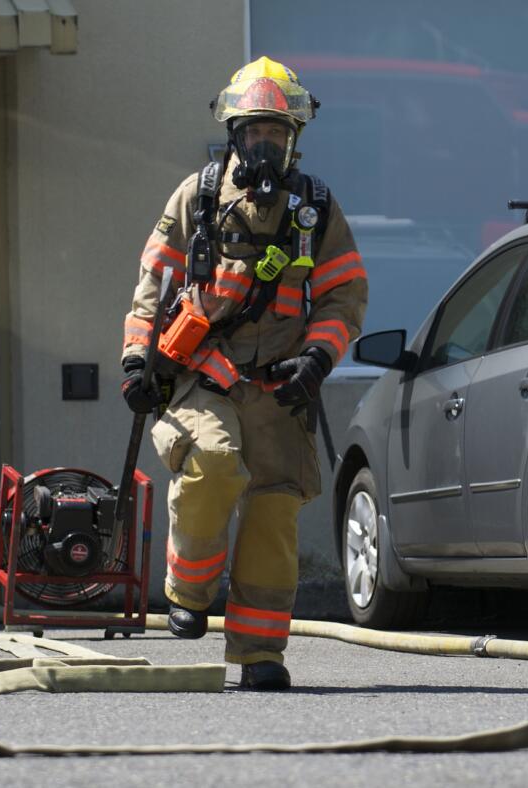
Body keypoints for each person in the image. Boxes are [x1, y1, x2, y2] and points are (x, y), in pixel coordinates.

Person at [120, 57, 368, 690]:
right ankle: (190, 588)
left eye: (277, 134)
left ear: (293, 139)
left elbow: (344, 294)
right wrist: (135, 361)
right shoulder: (197, 197)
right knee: (213, 459)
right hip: (204, 375)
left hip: (280, 385)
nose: (265, 145)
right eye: (255, 132)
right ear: (235, 134)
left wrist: (317, 359)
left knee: (275, 511)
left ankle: (260, 653)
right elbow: (153, 286)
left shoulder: (315, 207)